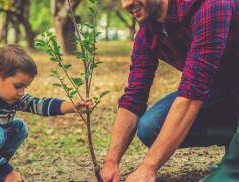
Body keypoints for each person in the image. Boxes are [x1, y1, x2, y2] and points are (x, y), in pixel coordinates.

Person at [100, 0, 239, 181]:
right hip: (224, 90)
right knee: (151, 126)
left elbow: (192, 95)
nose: (126, 4)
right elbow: (133, 97)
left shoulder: (210, 5)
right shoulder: (149, 32)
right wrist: (111, 162)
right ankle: (233, 136)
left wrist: (148, 167)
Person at [0, 44, 93, 181]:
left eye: (25, 87)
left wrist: (72, 106)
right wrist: (8, 173)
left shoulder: (11, 96)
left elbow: (38, 104)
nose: (21, 92)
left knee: (19, 127)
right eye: (18, 86)